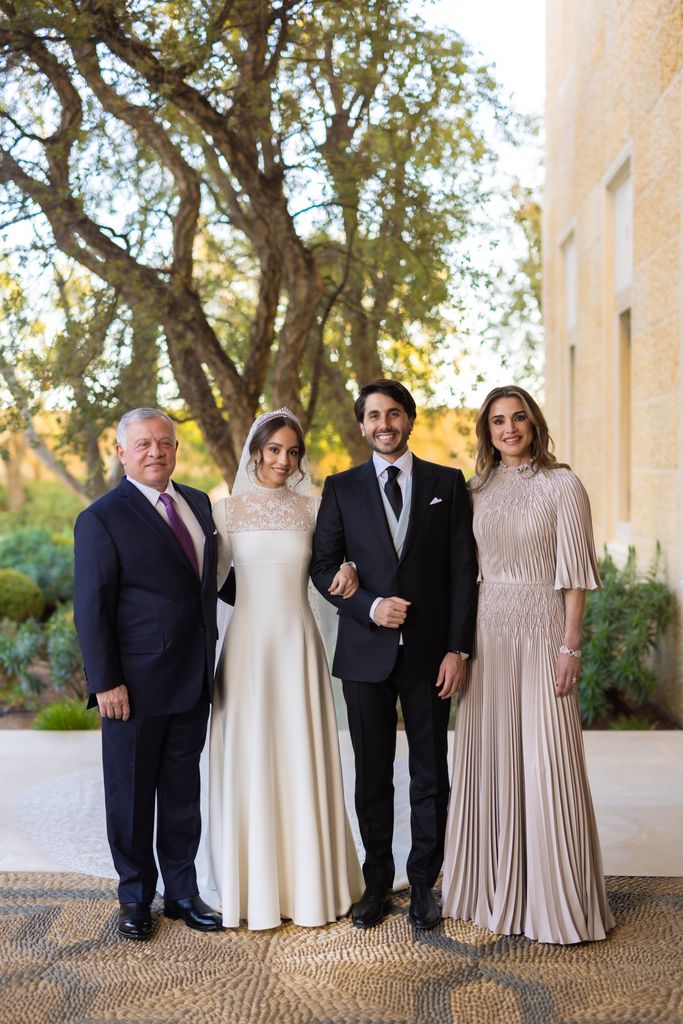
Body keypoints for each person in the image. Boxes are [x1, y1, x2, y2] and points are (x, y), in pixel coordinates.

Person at [441, 385, 615, 944]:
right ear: (486, 433)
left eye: (518, 418)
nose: (509, 429)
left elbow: (575, 575)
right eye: (497, 422)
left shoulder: (563, 485)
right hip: (487, 634)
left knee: (549, 759)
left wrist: (570, 645)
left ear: (534, 423)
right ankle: (489, 890)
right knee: (489, 758)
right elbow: (448, 566)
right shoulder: (475, 489)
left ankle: (556, 899)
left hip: (542, 631)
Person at [310, 380, 478, 930]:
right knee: (372, 773)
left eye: (394, 414)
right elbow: (322, 565)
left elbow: (460, 574)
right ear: (361, 425)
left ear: (409, 419)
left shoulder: (447, 484)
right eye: (374, 415)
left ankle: (425, 881)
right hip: (365, 654)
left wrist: (458, 648)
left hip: (431, 655)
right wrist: (369, 605)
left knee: (432, 772)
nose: (385, 423)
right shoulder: (341, 488)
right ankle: (377, 881)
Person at [205, 408, 364, 930]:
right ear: (256, 452)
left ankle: (310, 884)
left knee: (299, 752)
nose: (284, 460)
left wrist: (348, 568)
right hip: (247, 645)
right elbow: (206, 583)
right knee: (251, 755)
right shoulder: (224, 512)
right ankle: (252, 886)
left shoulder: (314, 509)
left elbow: (333, 564)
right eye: (274, 450)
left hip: (297, 644)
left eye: (293, 451)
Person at [73, 408, 222, 941]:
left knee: (183, 793)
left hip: (194, 678)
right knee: (131, 797)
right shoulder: (101, 518)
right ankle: (134, 897)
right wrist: (105, 680)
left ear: (176, 447)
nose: (155, 452)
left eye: (164, 442)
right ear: (121, 452)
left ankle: (182, 893)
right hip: (132, 687)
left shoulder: (200, 503)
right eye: (143, 444)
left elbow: (210, 582)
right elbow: (91, 607)